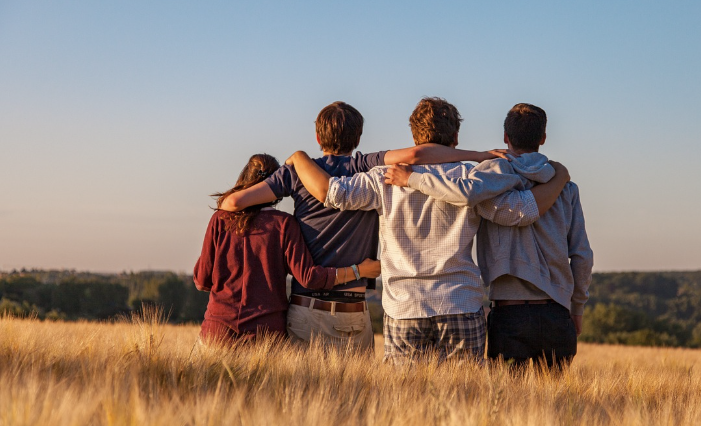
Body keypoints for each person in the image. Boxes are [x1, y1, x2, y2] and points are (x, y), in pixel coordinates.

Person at [286, 97, 570, 363]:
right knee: (465, 395)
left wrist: (299, 158)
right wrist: (559, 178)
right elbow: (520, 212)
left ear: (414, 137)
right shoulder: (472, 179)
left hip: (404, 307)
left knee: (405, 395)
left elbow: (333, 193)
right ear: (455, 138)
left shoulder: (383, 178)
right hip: (460, 303)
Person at [218, 101, 505, 349]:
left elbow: (232, 203)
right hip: (353, 310)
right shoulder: (365, 166)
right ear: (358, 137)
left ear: (317, 136)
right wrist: (478, 155)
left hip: (306, 306)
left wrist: (294, 163)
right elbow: (417, 155)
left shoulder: (296, 172)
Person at [386, 103, 593, 370]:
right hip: (557, 312)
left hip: (509, 313)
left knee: (506, 395)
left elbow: (465, 193)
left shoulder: (488, 178)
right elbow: (582, 255)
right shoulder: (566, 187)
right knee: (557, 397)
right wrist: (577, 308)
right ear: (543, 138)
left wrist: (412, 179)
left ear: (506, 137)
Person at [193, 153, 381, 345]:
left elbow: (202, 281)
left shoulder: (220, 219)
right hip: (266, 335)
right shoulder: (284, 224)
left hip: (217, 331)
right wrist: (359, 270)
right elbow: (309, 278)